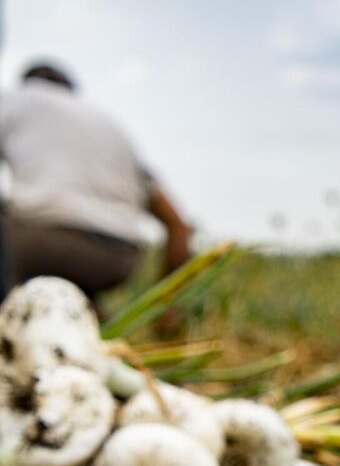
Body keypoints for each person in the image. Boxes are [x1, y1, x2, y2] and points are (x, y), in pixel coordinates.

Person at [0, 61, 194, 299]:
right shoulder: (109, 125)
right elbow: (178, 225)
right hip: (119, 259)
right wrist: (168, 307)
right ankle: (84, 312)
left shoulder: (16, 99)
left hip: (40, 245)